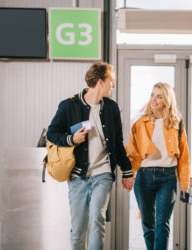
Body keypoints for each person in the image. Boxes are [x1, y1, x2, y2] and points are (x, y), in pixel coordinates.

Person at [47, 62, 134, 250]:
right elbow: (52, 134)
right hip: (77, 176)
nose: (113, 85)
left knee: (97, 220)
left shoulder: (111, 108)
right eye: (112, 81)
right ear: (101, 82)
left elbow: (117, 143)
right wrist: (71, 139)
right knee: (78, 229)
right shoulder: (69, 106)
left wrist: (127, 171)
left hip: (102, 173)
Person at [126, 82, 190, 250]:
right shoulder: (140, 124)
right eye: (152, 95)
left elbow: (184, 157)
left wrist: (185, 184)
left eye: (159, 96)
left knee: (162, 223)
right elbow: (132, 154)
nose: (154, 100)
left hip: (167, 177)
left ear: (167, 100)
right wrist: (129, 175)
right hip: (143, 177)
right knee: (148, 224)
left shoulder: (177, 124)